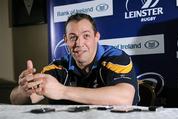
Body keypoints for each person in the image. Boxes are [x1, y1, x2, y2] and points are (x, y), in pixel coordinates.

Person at [10, 13, 139, 105]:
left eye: (86, 36)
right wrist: (23, 90)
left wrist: (63, 91)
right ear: (65, 40)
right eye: (73, 37)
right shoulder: (58, 67)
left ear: (96, 37)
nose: (79, 43)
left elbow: (124, 98)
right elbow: (17, 99)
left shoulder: (116, 57)